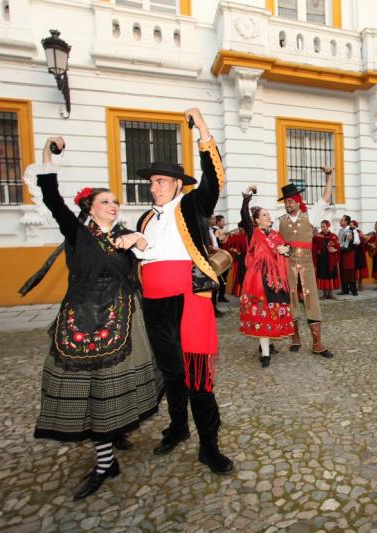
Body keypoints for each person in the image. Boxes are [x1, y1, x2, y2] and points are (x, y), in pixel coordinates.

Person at [29, 136, 160, 499]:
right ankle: (106, 459)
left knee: (111, 387)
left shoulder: (125, 235)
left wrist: (140, 242)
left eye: (116, 201)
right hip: (82, 316)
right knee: (87, 387)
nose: (114, 205)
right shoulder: (77, 232)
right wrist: (48, 154)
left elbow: (149, 262)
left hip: (121, 317)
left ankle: (109, 450)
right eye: (106, 201)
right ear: (90, 206)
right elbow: (51, 196)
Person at [132, 108, 233, 474]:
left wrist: (202, 128)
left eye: (161, 181)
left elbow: (214, 178)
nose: (154, 186)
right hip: (154, 305)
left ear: (177, 184)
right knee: (172, 374)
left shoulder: (192, 205)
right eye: (152, 182)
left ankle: (209, 446)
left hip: (189, 302)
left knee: (197, 378)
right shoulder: (145, 218)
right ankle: (178, 428)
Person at [275, 166, 336, 358]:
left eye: (290, 201)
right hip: (287, 266)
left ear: (298, 201)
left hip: (307, 265)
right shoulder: (280, 221)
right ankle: (295, 338)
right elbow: (270, 241)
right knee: (291, 300)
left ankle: (317, 342)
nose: (287, 204)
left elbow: (326, 197)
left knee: (311, 300)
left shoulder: (311, 214)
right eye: (286, 202)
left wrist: (329, 176)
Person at [238, 186, 294, 367]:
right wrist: (247, 197)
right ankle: (265, 354)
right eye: (264, 215)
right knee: (262, 314)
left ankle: (267, 344)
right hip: (258, 280)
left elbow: (288, 249)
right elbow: (244, 216)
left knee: (272, 313)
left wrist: (287, 250)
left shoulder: (277, 235)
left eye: (268, 214)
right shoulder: (252, 233)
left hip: (276, 280)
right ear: (255, 221)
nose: (268, 217)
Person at [312, 220, 341, 299]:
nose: (322, 228)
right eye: (321, 226)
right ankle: (324, 294)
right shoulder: (318, 236)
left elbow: (338, 247)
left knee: (330, 275)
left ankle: (330, 293)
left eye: (324, 226)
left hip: (331, 260)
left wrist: (335, 250)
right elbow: (313, 245)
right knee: (323, 275)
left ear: (328, 226)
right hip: (322, 260)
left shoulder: (334, 236)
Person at [337, 215, 359, 296]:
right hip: (341, 253)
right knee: (343, 272)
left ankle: (353, 290)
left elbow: (357, 241)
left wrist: (352, 239)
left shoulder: (353, 230)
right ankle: (344, 289)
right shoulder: (340, 231)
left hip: (349, 254)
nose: (340, 221)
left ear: (346, 222)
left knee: (350, 272)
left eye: (342, 220)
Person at [352, 220, 369, 291]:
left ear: (355, 226)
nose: (351, 226)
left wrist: (363, 238)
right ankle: (354, 286)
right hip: (353, 253)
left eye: (352, 225)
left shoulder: (359, 232)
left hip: (360, 253)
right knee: (354, 270)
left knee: (360, 269)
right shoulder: (349, 232)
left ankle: (360, 285)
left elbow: (363, 241)